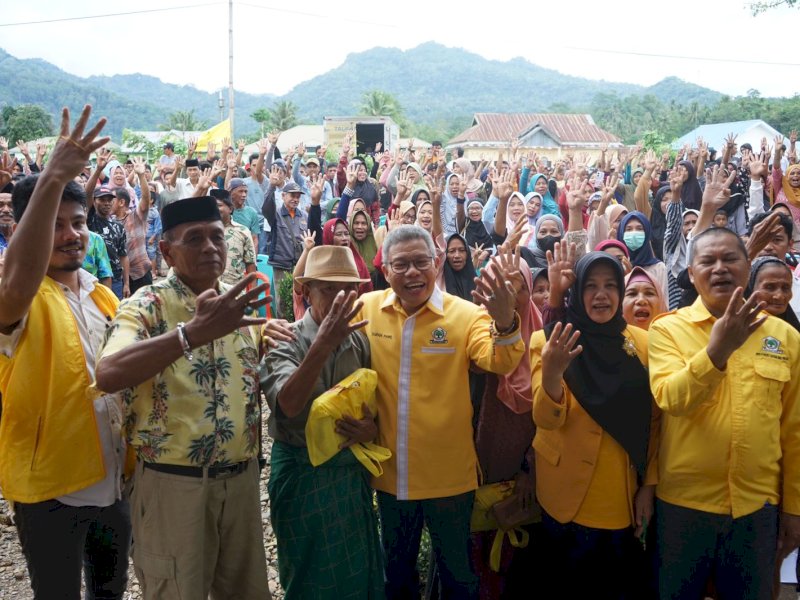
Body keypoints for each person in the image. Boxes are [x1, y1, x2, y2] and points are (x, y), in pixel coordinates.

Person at [95, 195, 284, 599]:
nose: (210, 248)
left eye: (217, 237)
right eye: (194, 239)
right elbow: (108, 373)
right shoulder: (146, 305)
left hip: (241, 483)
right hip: (172, 488)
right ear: (165, 250)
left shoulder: (240, 304)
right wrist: (189, 335)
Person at [0, 106, 131, 599]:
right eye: (54, 224)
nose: (71, 234)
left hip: (113, 479)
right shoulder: (19, 297)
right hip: (51, 489)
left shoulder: (104, 296)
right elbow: (16, 284)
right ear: (25, 228)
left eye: (77, 222)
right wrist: (53, 175)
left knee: (110, 592)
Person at [354, 225, 525, 599]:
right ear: (385, 270)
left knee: (458, 574)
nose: (412, 272)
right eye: (402, 265)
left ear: (437, 264)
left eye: (421, 262)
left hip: (449, 477)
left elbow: (499, 358)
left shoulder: (465, 316)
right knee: (396, 572)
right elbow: (328, 337)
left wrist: (506, 322)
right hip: (391, 474)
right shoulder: (367, 310)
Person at [648, 226, 800, 599]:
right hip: (683, 506)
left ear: (748, 267)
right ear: (690, 272)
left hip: (756, 506)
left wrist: (794, 507)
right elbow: (671, 398)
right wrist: (717, 351)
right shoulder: (667, 330)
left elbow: (794, 431)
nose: (719, 268)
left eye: (730, 259)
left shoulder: (784, 337)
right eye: (708, 261)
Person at [531, 251, 659, 599]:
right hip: (563, 493)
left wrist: (649, 485)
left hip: (620, 496)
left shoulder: (644, 343)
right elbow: (544, 420)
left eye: (609, 285)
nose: (601, 295)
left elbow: (657, 424)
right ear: (576, 293)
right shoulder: (549, 341)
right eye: (590, 286)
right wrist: (553, 374)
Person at [263, 245, 384, 599]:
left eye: (347, 289)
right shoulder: (285, 339)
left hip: (347, 476)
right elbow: (286, 404)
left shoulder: (359, 341)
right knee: (307, 573)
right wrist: (322, 344)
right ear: (304, 291)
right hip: (303, 475)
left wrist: (370, 429)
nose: (339, 298)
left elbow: (371, 405)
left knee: (356, 572)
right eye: (328, 288)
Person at [263, 174, 308, 318]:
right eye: (292, 195)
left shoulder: (304, 216)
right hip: (282, 265)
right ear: (283, 196)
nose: (295, 199)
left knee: (301, 300)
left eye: (298, 196)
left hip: (300, 266)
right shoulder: (275, 214)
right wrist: (271, 186)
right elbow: (266, 206)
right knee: (283, 302)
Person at [87, 185, 130, 299]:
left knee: (114, 314)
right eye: (102, 199)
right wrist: (98, 170)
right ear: (94, 201)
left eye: (109, 200)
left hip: (115, 280)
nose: (106, 203)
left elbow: (123, 256)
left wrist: (126, 284)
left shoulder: (118, 227)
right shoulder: (89, 222)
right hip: (93, 279)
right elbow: (86, 195)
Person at [212, 188, 256, 286]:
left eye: (219, 205)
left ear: (230, 209)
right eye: (212, 206)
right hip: (210, 294)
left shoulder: (242, 231)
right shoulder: (205, 232)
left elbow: (251, 265)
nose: (215, 209)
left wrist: (253, 298)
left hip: (235, 292)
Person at [745, 256, 800, 331]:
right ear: (751, 288)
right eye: (770, 287)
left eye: (786, 288)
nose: (779, 296)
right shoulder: (735, 330)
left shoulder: (792, 333)